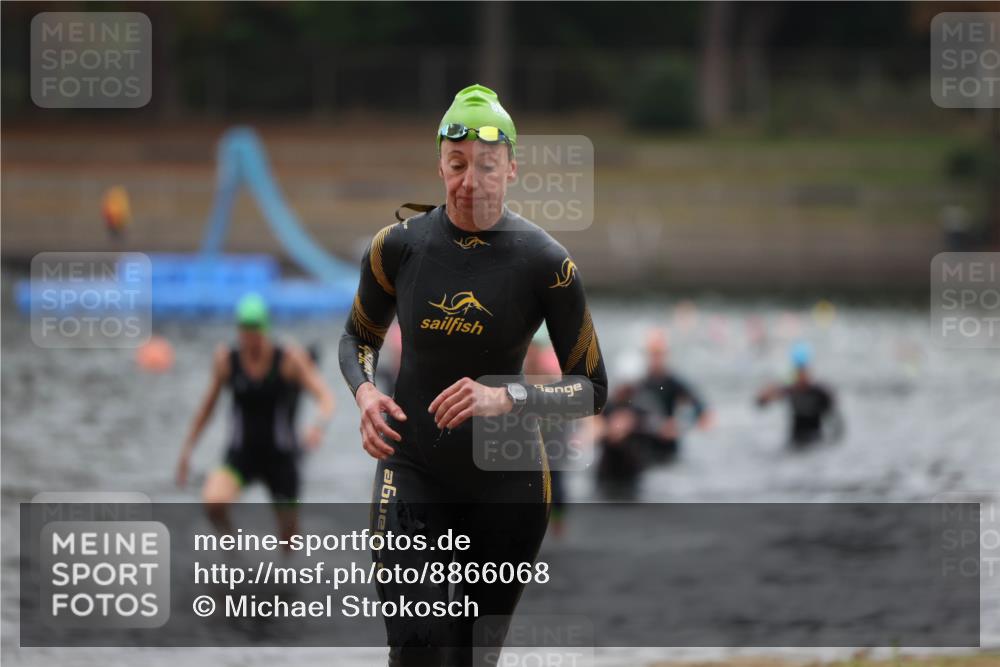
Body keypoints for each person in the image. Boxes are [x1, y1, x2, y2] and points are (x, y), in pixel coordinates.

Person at [338, 84, 608, 666]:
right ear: (439, 163)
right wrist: (363, 393)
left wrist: (508, 396)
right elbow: (359, 337)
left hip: (507, 485)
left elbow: (591, 387)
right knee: (418, 648)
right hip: (412, 469)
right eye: (457, 165)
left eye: (486, 166)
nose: (470, 181)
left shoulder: (546, 264)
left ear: (511, 168)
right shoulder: (398, 249)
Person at [176, 293, 335, 541]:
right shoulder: (227, 360)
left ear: (266, 329)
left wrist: (318, 426)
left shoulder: (288, 359)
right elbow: (207, 409)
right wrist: (187, 451)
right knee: (213, 502)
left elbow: (325, 396)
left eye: (256, 331)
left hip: (281, 457)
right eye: (245, 331)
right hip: (243, 454)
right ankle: (234, 551)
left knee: (289, 542)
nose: (250, 339)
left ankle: (284, 573)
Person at [632, 328, 711, 463]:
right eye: (652, 354)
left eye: (659, 354)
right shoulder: (637, 384)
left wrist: (679, 426)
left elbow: (704, 415)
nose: (656, 359)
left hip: (668, 446)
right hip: (644, 446)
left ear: (666, 355)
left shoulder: (675, 383)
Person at [756, 341, 841, 448]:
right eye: (798, 372)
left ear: (809, 372)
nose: (801, 376)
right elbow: (760, 404)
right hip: (795, 441)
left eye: (803, 371)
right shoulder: (790, 390)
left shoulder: (820, 392)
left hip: (815, 441)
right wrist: (766, 394)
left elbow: (836, 422)